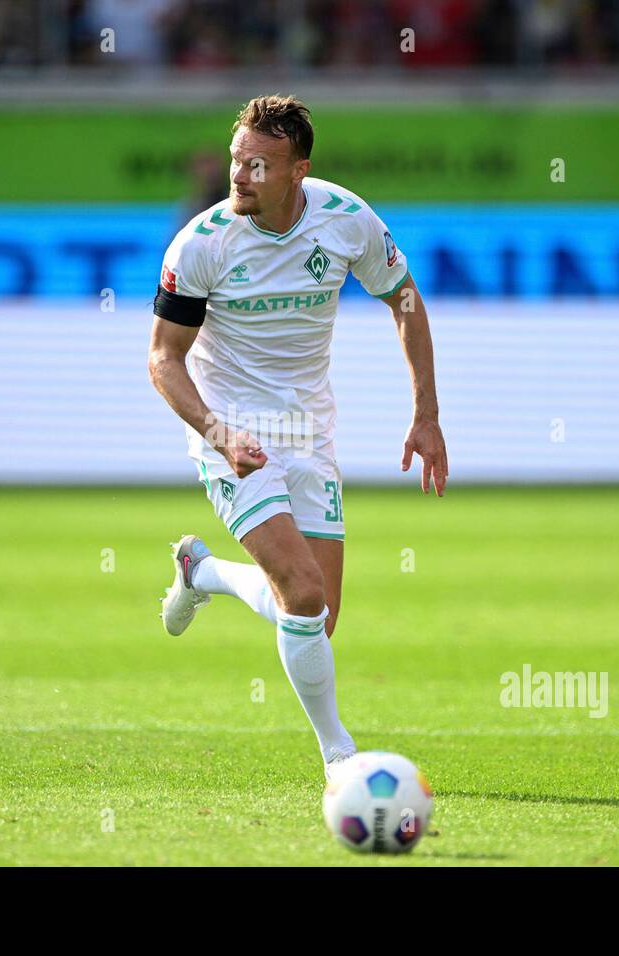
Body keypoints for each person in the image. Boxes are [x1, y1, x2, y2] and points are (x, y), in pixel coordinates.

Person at [146, 95, 448, 778]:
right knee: (302, 594)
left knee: (315, 615)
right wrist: (218, 431)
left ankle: (206, 573)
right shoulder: (202, 243)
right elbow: (163, 358)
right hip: (231, 430)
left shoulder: (346, 221)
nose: (241, 175)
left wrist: (426, 415)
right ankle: (339, 756)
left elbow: (404, 300)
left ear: (298, 171)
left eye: (260, 163)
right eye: (236, 159)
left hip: (308, 433)